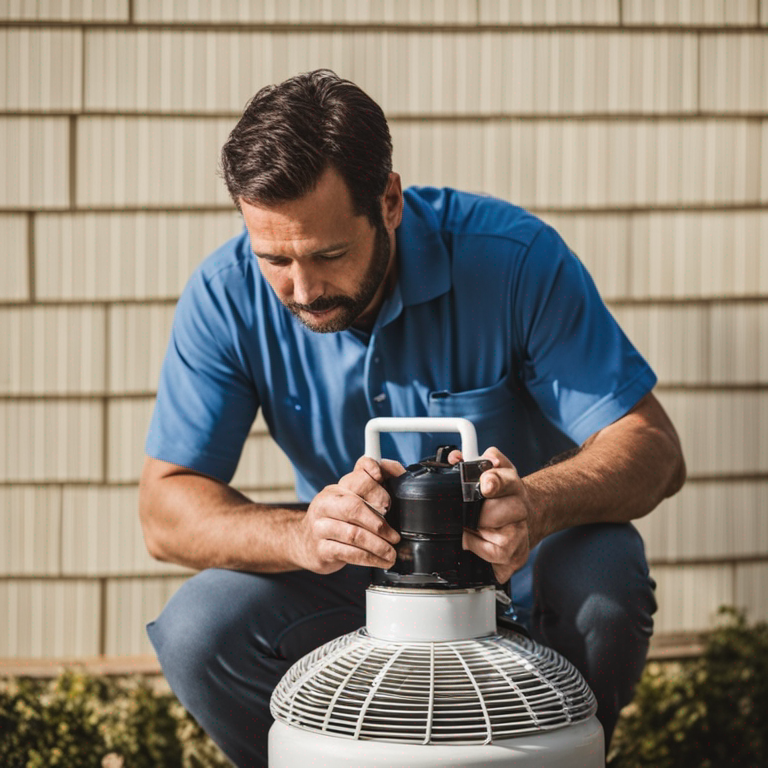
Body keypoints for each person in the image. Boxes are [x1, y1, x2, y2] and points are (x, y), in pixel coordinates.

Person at [140, 69, 685, 767]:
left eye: (328, 255)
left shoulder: (515, 261)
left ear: (389, 201)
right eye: (274, 258)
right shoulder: (224, 297)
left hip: (516, 561)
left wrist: (537, 503)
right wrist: (304, 534)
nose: (302, 292)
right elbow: (164, 508)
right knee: (198, 630)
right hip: (355, 567)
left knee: (603, 581)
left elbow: (654, 448)